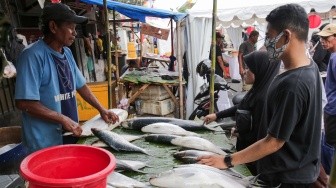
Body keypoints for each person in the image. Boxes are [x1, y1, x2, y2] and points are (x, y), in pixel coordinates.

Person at [198, 4, 323, 187]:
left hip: (286, 178)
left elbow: (273, 142)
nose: (266, 43)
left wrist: (227, 161)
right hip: (298, 170)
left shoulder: (293, 83)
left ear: (287, 36)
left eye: (270, 37)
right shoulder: (310, 68)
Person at [14, 3, 119, 153]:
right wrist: (61, 118)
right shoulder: (32, 56)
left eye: (75, 28)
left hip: (69, 135)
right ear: (53, 27)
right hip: (43, 144)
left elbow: (81, 85)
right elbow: (23, 103)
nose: (75, 33)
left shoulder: (67, 53)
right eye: (70, 27)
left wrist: (101, 109)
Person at [203, 50, 280, 175]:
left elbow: (263, 135)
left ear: (259, 71)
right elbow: (242, 105)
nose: (244, 72)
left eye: (249, 68)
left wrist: (241, 135)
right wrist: (217, 115)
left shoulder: (264, 98)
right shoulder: (257, 89)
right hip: (244, 153)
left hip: (252, 159)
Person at [316, 23, 336, 150]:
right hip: (331, 108)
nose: (323, 41)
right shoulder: (332, 56)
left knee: (331, 146)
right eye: (322, 38)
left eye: (326, 38)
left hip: (333, 110)